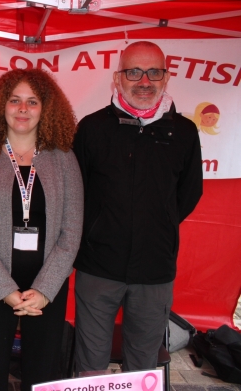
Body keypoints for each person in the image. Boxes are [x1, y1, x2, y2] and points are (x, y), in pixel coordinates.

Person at [72, 41, 203, 372]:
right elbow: (76, 192)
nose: (144, 81)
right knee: (90, 364)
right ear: (117, 79)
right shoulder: (91, 128)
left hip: (154, 270)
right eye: (133, 72)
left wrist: (155, 225)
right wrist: (99, 230)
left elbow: (188, 194)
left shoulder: (184, 132)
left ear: (166, 77)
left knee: (143, 366)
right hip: (97, 268)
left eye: (153, 72)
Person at [0, 69, 83, 390]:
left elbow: (71, 231)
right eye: (15, 100)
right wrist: (5, 290)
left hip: (49, 285)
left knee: (42, 375)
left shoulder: (64, 159)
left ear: (46, 109)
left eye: (32, 101)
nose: (22, 109)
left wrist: (44, 290)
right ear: (1, 106)